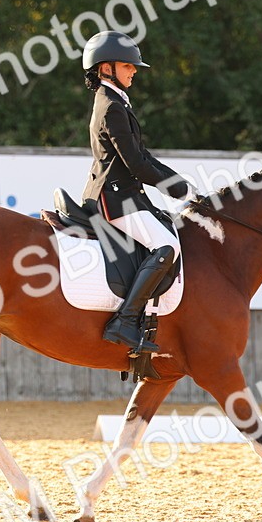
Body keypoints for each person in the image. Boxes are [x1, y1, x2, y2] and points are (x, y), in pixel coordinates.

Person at [80, 30, 195, 354]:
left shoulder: (115, 101)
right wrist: (178, 189)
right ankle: (125, 321)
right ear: (106, 68)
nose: (134, 72)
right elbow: (135, 164)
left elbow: (143, 156)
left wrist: (181, 183)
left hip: (125, 194)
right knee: (166, 246)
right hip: (114, 197)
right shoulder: (111, 107)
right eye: (128, 66)